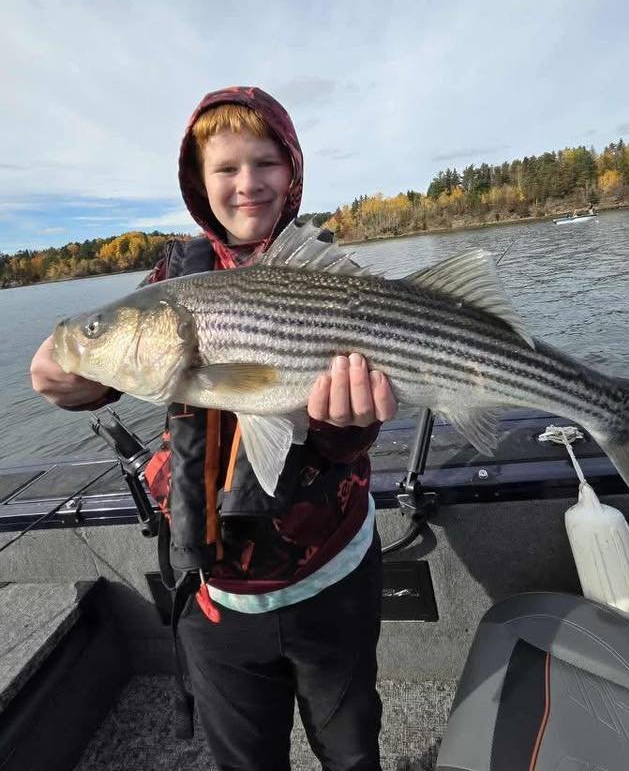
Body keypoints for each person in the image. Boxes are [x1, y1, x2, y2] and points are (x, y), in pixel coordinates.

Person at [30, 85, 397, 771]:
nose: (247, 183)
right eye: (226, 168)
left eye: (266, 162)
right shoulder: (172, 284)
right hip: (213, 593)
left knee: (352, 749)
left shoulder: (336, 280)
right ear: (199, 184)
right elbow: (114, 364)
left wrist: (347, 430)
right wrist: (68, 374)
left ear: (293, 171)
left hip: (333, 575)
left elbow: (328, 435)